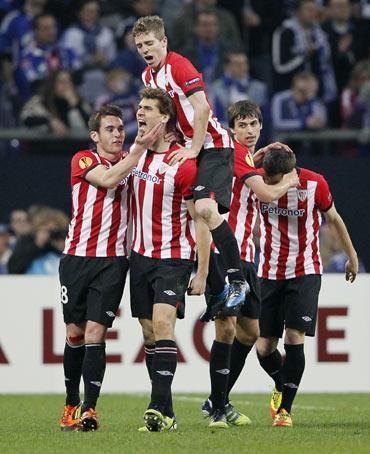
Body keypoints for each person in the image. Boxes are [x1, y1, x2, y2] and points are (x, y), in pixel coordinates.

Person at [58, 104, 165, 432]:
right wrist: (139, 149)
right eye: (110, 129)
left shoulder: (134, 163)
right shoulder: (85, 159)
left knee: (95, 332)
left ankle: (89, 409)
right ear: (95, 135)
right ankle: (71, 403)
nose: (118, 134)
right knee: (74, 333)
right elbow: (107, 180)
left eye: (121, 128)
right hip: (76, 258)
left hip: (113, 261)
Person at [133, 15, 248, 312]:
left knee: (206, 209)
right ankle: (216, 286)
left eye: (149, 43)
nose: (145, 50)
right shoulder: (149, 77)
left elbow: (202, 107)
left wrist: (194, 148)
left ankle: (238, 280)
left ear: (163, 42)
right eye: (139, 45)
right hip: (188, 148)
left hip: (213, 146)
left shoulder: (178, 65)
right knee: (191, 215)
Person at [200, 100, 299, 428]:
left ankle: (219, 399)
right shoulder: (235, 154)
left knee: (250, 333)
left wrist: (259, 155)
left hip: (246, 257)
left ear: (260, 125)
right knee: (227, 327)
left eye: (254, 124)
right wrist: (290, 180)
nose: (249, 130)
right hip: (223, 253)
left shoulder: (240, 157)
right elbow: (267, 194)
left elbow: (246, 174)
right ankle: (219, 407)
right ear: (232, 129)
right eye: (242, 125)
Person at [254, 148, 358, 428]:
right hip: (269, 271)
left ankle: (285, 410)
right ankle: (282, 383)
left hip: (305, 270)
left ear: (290, 172)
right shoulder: (257, 179)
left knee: (294, 335)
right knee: (264, 347)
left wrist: (352, 255)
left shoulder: (315, 183)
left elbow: (334, 218)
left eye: (276, 180)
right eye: (268, 179)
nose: (271, 187)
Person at [129, 87, 209, 432]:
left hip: (173, 258)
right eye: (139, 107)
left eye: (148, 108)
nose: (140, 113)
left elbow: (201, 219)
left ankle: (156, 408)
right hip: (140, 257)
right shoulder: (134, 155)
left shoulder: (182, 163)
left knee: (163, 324)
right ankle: (169, 413)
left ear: (165, 117)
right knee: (149, 334)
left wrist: (202, 272)